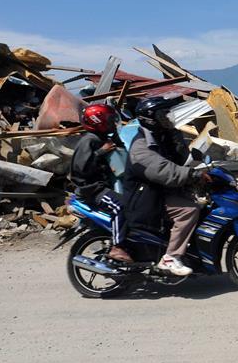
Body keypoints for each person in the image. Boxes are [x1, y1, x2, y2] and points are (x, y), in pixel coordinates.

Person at [122, 96, 208, 277]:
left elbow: (181, 159)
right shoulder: (141, 147)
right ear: (151, 119)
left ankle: (191, 254)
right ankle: (170, 257)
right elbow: (164, 170)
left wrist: (178, 140)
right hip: (145, 199)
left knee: (204, 206)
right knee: (189, 211)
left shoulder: (162, 138)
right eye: (163, 115)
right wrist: (192, 175)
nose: (167, 118)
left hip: (159, 193)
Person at [70, 103, 132, 263]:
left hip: (102, 186)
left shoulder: (103, 138)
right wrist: (100, 152)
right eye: (110, 120)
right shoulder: (89, 141)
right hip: (92, 190)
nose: (113, 122)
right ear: (98, 121)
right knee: (121, 206)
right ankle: (118, 247)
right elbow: (81, 169)